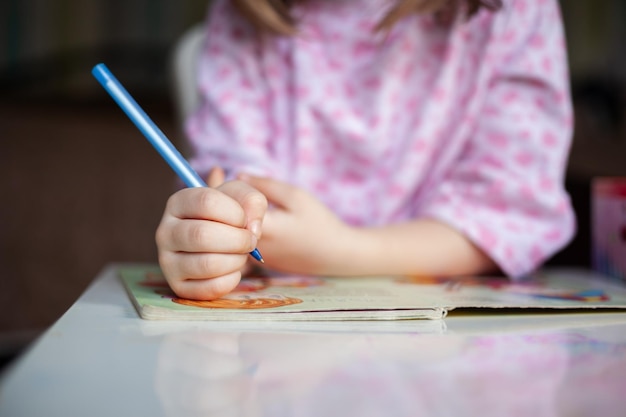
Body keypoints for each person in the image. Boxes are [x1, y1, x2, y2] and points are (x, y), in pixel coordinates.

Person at [156, 0, 575, 300]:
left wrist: (342, 252)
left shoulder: (513, 11)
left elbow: (507, 212)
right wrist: (217, 241)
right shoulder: (241, 14)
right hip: (278, 363)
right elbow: (233, 195)